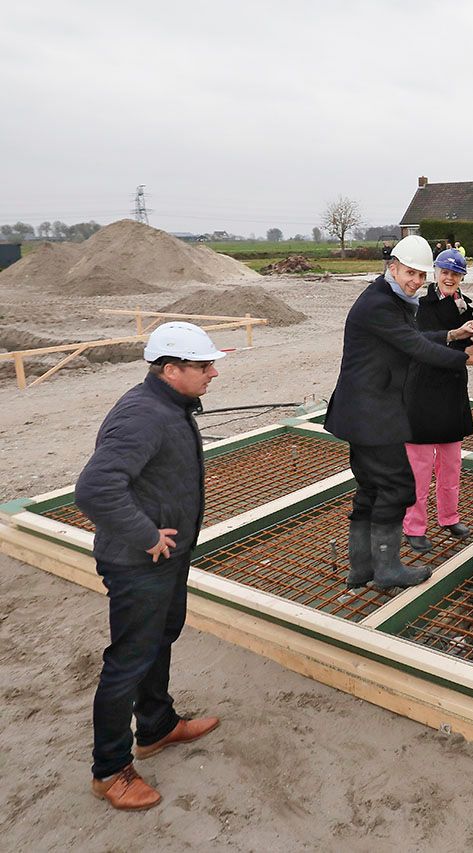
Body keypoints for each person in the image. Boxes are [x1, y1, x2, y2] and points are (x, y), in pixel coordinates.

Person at [75, 322, 228, 811]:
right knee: (127, 663)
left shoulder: (170, 406)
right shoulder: (143, 415)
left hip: (167, 557)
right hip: (138, 562)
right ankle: (110, 770)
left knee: (161, 638)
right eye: (203, 366)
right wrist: (145, 535)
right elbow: (95, 488)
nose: (213, 373)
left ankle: (157, 726)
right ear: (171, 369)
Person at [324, 235, 473, 593]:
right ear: (392, 267)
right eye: (410, 273)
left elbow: (417, 337)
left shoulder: (390, 299)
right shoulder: (380, 305)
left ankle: (361, 569)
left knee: (371, 491)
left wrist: (454, 336)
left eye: (421, 275)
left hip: (365, 409)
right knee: (397, 486)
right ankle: (387, 569)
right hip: (371, 412)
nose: (416, 281)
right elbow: (416, 346)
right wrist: (470, 358)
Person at [402, 249, 473, 552]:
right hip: (422, 394)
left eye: (455, 273)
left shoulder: (464, 307)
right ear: (435, 273)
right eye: (445, 272)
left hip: (452, 394)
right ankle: (414, 527)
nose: (449, 278)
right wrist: (459, 342)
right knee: (419, 469)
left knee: (451, 465)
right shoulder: (419, 305)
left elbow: (470, 345)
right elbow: (421, 344)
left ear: (460, 278)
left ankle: (449, 517)